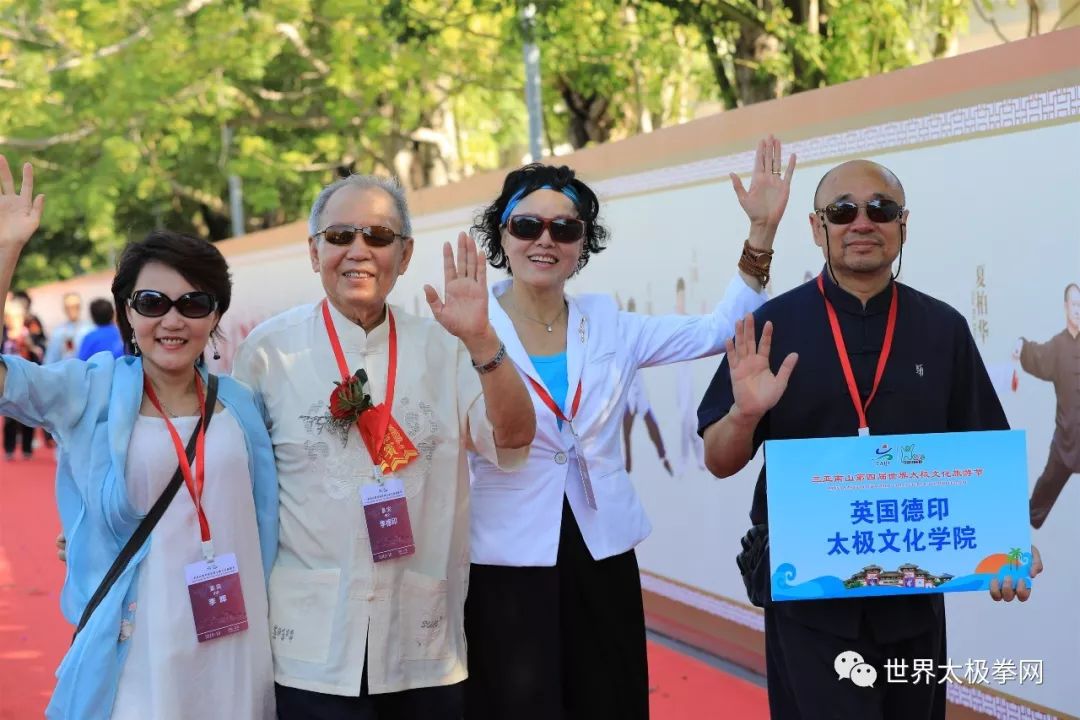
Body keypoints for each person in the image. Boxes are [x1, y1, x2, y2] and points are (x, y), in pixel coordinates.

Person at [697, 158, 1043, 720]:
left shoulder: (943, 328)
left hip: (915, 598)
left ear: (903, 225)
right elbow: (718, 459)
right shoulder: (770, 327)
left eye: (880, 209)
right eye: (843, 211)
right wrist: (743, 414)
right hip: (811, 596)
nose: (862, 222)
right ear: (817, 228)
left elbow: (984, 451)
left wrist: (1009, 547)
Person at [463, 136, 795, 720]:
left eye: (565, 229)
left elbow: (721, 329)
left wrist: (761, 233)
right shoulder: (465, 326)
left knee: (609, 698)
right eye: (527, 225)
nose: (546, 239)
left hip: (601, 547)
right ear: (501, 237)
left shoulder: (609, 323)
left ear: (582, 244)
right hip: (505, 557)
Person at [231, 173, 535, 719]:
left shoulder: (447, 346)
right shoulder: (267, 353)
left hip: (420, 645)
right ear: (313, 250)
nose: (358, 251)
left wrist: (484, 341)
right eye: (340, 235)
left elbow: (512, 440)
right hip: (309, 648)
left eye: (377, 236)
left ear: (405, 253)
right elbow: (225, 477)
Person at [0, 156, 279, 719]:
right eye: (152, 303)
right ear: (128, 312)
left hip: (235, 642)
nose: (172, 321)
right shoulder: (91, 392)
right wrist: (6, 252)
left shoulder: (243, 406)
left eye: (193, 303)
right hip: (139, 647)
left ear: (215, 314)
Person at [1018, 282, 1080, 529]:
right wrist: (1021, 345)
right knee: (1046, 487)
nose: (1078, 310)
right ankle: (1025, 527)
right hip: (1066, 438)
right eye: (1074, 304)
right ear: (1066, 307)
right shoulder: (1057, 345)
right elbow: (1036, 356)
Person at [3, 293, 44, 460]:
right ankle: (9, 447)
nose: (13, 321)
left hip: (27, 378)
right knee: (9, 416)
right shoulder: (4, 335)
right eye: (9, 318)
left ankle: (27, 447)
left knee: (28, 414)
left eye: (16, 318)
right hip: (7, 380)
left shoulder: (29, 333)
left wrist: (32, 347)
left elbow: (40, 353)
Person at [44, 291, 91, 363]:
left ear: (80, 307)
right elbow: (50, 359)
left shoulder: (90, 329)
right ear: (64, 309)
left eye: (76, 306)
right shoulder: (58, 332)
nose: (72, 310)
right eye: (68, 307)